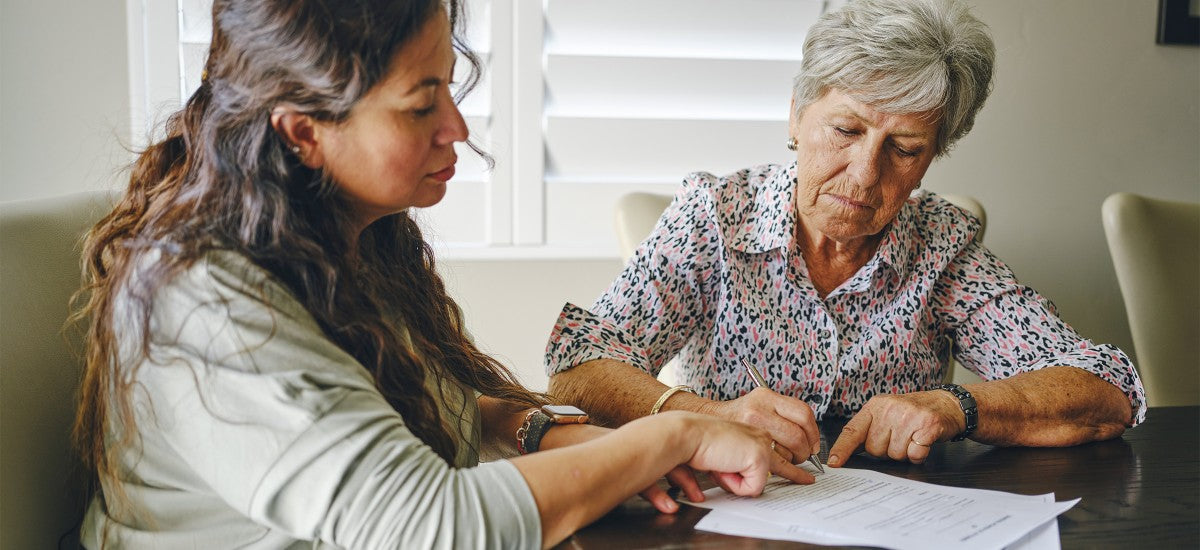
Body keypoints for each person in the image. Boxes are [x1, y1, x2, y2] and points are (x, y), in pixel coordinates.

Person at [71, 1, 811, 548]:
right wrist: (671, 437)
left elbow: (445, 411)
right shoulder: (207, 303)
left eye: (450, 89)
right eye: (423, 103)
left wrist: (559, 439)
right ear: (304, 132)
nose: (457, 127)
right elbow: (432, 523)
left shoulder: (345, 242)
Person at [545, 0, 1146, 471]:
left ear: (934, 155)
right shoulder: (715, 217)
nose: (864, 175)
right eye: (845, 129)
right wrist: (706, 416)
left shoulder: (941, 244)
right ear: (796, 116)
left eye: (904, 149)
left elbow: (1106, 388)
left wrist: (958, 406)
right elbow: (579, 365)